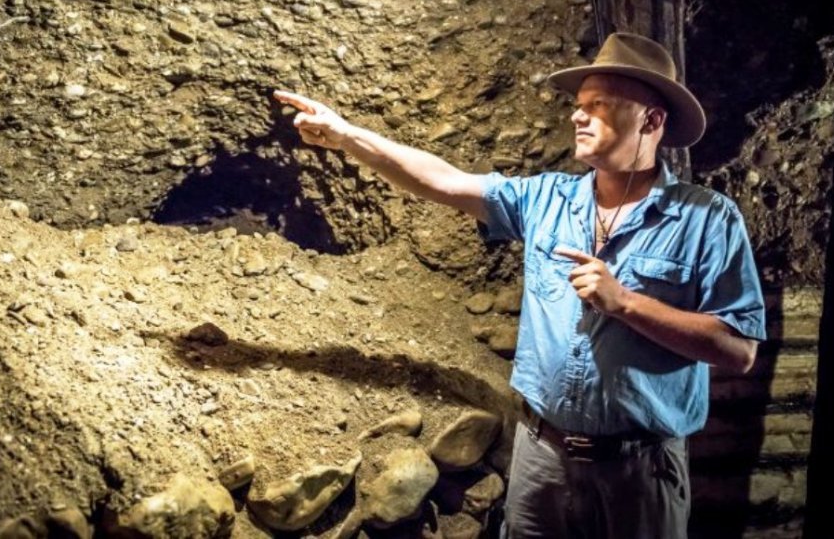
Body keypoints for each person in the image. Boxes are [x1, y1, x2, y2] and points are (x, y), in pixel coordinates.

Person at [274, 32, 765, 539]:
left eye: (598, 105)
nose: (577, 115)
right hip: (541, 460)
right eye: (578, 105)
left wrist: (625, 304)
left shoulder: (707, 219)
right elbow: (441, 180)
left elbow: (737, 350)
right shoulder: (545, 199)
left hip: (639, 474)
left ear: (651, 120)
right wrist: (347, 134)